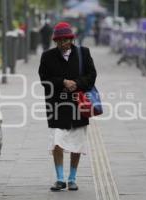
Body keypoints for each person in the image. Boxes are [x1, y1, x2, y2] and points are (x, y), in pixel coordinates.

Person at [38, 22, 96, 191]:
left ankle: (72, 178)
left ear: (71, 39)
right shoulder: (47, 56)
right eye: (59, 41)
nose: (63, 44)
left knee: (77, 144)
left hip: (79, 105)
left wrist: (76, 83)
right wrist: (63, 82)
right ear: (55, 41)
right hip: (57, 105)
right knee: (57, 142)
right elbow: (44, 79)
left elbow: (92, 75)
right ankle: (60, 178)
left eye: (66, 40)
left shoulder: (83, 53)